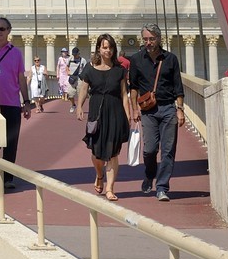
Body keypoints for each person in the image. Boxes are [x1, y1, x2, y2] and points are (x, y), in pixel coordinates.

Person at [126, 23, 183, 202]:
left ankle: (162, 187)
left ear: (159, 38)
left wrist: (179, 109)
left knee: (168, 151)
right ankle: (150, 174)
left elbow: (178, 87)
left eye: (151, 39)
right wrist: (134, 108)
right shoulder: (136, 59)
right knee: (149, 150)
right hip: (148, 111)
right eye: (145, 39)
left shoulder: (171, 59)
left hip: (168, 109)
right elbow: (133, 87)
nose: (148, 42)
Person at [76, 32, 128, 201]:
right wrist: (79, 107)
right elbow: (83, 89)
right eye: (105, 47)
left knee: (113, 153)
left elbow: (124, 94)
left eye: (111, 47)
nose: (108, 51)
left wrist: (127, 116)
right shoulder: (90, 69)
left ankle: (110, 189)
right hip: (96, 112)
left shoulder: (120, 70)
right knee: (97, 153)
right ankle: (99, 174)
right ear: (99, 48)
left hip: (115, 112)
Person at [0, 17, 31, 184]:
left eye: (2, 29)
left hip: (12, 102)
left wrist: (26, 101)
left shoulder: (16, 53)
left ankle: (7, 178)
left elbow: (21, 79)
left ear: (9, 31)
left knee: (11, 142)